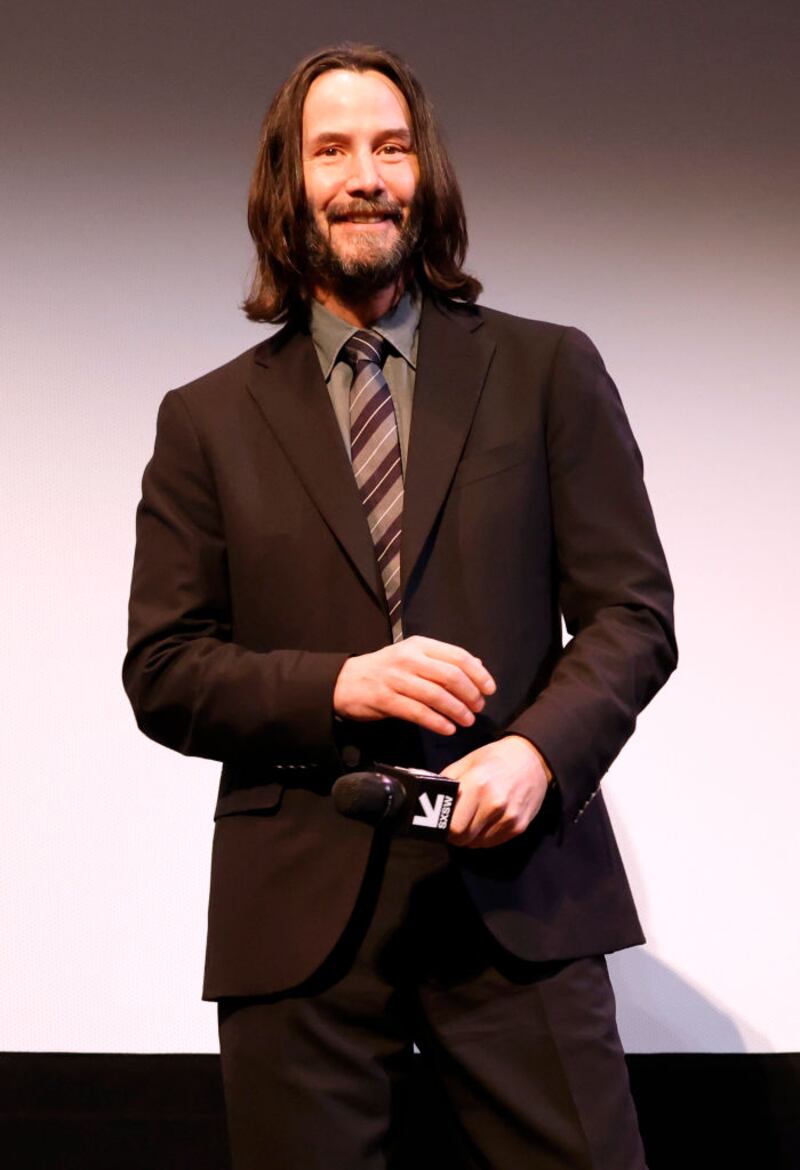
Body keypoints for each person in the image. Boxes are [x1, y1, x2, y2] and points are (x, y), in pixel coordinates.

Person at [123, 42, 676, 1170]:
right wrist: (334, 684)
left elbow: (632, 614)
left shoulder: (546, 371)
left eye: (391, 145)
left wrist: (536, 752)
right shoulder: (205, 421)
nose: (364, 173)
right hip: (299, 915)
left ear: (427, 176)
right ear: (288, 185)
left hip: (515, 886)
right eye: (331, 149)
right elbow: (165, 668)